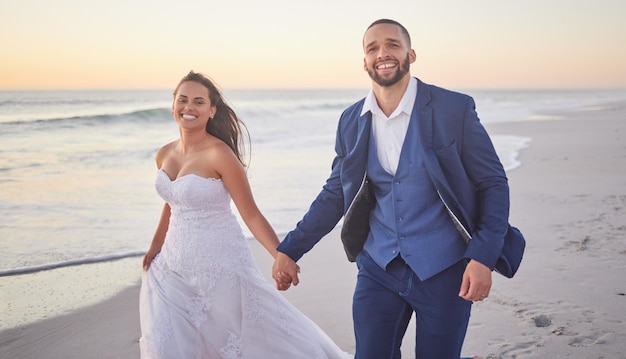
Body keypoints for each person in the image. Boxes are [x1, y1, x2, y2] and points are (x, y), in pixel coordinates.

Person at [272, 19, 511, 359]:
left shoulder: (452, 109)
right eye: (372, 48)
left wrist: (483, 257)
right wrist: (291, 247)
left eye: (392, 45)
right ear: (365, 62)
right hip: (379, 267)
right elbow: (335, 192)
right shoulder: (351, 120)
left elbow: (493, 184)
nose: (382, 53)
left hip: (445, 269)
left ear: (410, 54)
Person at [139, 70, 352, 358]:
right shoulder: (164, 154)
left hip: (220, 265)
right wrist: (156, 245)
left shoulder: (220, 155)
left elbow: (251, 214)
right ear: (173, 104)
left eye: (199, 102)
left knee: (241, 340)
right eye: (183, 100)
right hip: (173, 266)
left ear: (212, 110)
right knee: (169, 345)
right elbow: (173, 201)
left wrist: (281, 255)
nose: (189, 108)